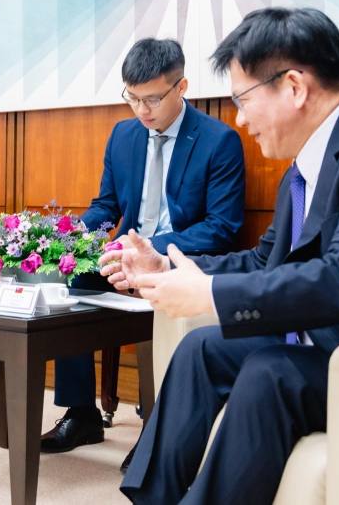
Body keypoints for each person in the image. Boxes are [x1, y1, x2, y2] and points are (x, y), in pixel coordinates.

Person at [100, 7, 339, 504]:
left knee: (268, 371)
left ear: (294, 87)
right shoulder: (304, 166)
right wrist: (166, 267)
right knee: (201, 349)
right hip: (317, 339)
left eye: (243, 99)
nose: (239, 118)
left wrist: (211, 294)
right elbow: (264, 261)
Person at [41, 38, 246, 461]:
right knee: (71, 281)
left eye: (152, 99)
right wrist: (72, 238)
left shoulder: (218, 140)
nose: (142, 110)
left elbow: (221, 227)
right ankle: (81, 414)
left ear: (181, 86)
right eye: (132, 98)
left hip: (177, 260)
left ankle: (157, 429)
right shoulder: (123, 135)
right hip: (126, 255)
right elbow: (107, 206)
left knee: (162, 285)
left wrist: (152, 249)